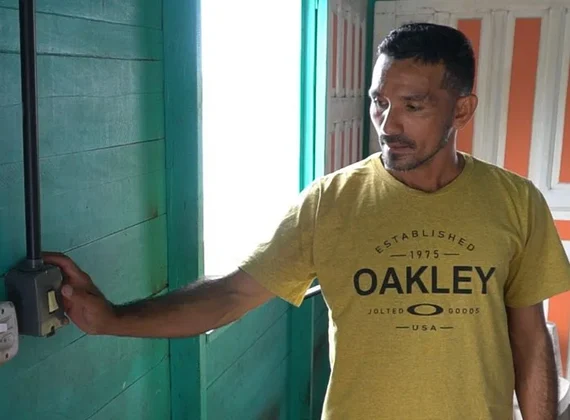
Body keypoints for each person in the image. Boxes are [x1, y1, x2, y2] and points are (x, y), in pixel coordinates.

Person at [44, 22, 570, 420]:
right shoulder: (330, 203)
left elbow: (529, 338)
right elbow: (231, 296)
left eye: (413, 106)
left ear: (461, 110)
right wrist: (112, 318)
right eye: (379, 102)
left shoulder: (514, 202)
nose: (388, 124)